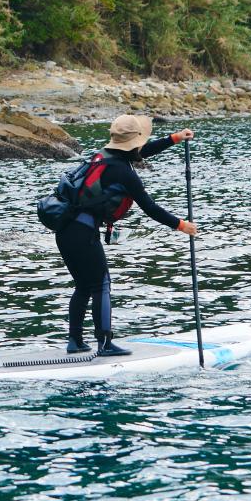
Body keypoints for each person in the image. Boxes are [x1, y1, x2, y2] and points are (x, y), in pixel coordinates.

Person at [57, 114, 198, 356]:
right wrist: (180, 225)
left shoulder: (102, 156)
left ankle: (75, 341)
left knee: (83, 285)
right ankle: (105, 344)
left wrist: (173, 139)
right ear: (134, 143)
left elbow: (141, 152)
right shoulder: (124, 172)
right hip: (83, 233)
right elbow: (150, 207)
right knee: (101, 284)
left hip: (66, 229)